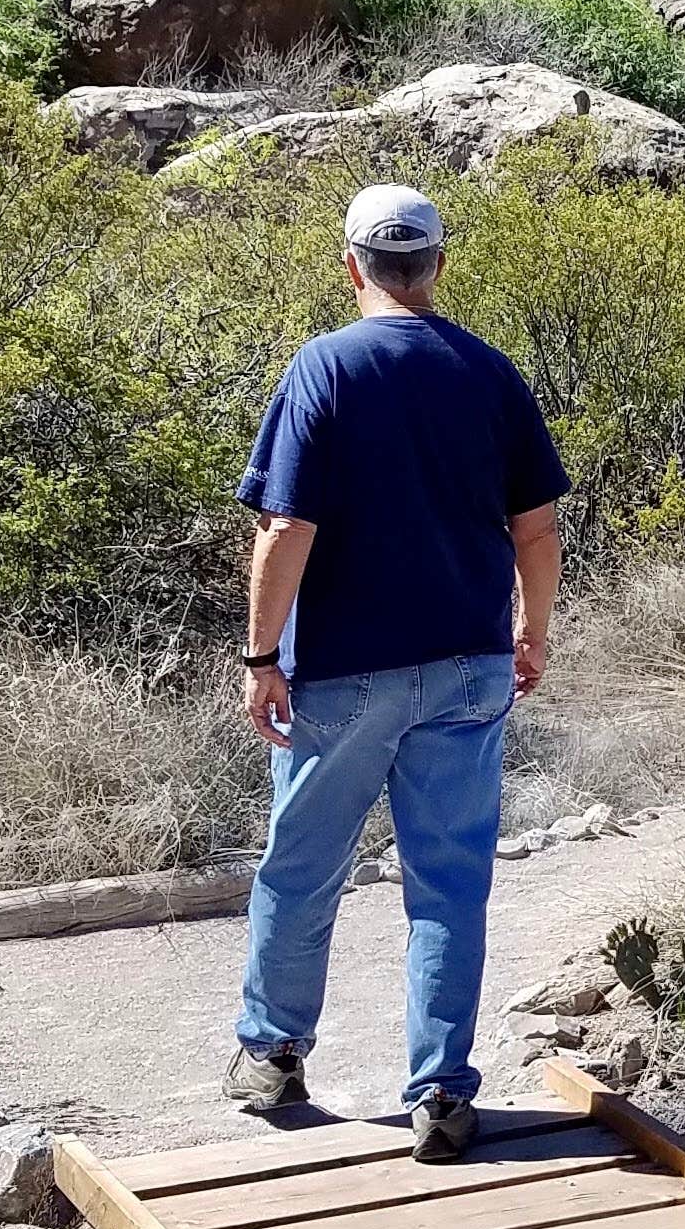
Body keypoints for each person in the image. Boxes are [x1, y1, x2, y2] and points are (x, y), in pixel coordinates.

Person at [225, 182, 569, 1158]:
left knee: (302, 869)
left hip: (341, 670)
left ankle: (273, 1057)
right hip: (468, 666)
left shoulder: (324, 370)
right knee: (449, 884)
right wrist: (529, 633)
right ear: (437, 268)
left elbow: (287, 525)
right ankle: (443, 1097)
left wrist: (261, 655)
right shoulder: (489, 374)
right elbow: (535, 528)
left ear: (351, 266)